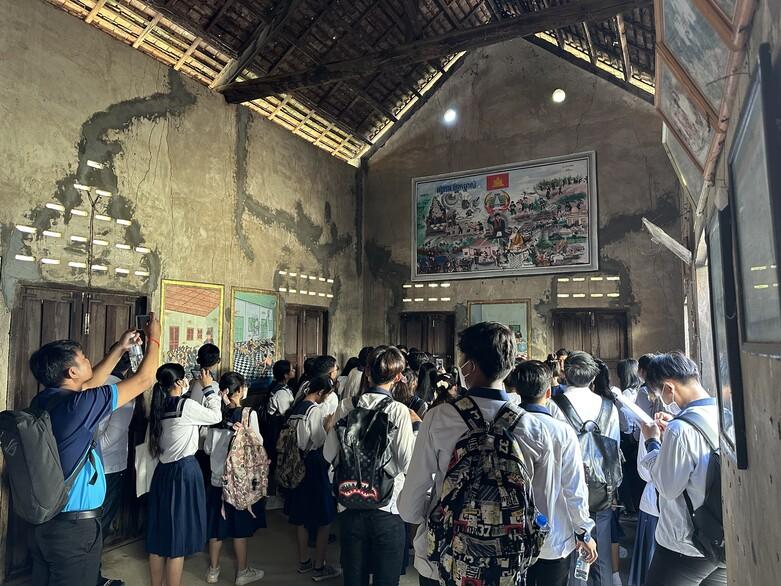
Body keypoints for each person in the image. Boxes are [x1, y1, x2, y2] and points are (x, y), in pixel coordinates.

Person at [398, 322, 555, 586]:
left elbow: (411, 504)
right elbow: (542, 507)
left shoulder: (439, 418)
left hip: (444, 560)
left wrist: (440, 513)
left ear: (469, 365)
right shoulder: (534, 428)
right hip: (507, 563)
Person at [26, 315, 161, 586]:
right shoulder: (80, 405)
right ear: (72, 372)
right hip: (73, 529)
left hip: (47, 522)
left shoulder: (46, 399)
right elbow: (145, 379)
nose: (89, 360)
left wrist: (120, 348)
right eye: (84, 357)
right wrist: (155, 338)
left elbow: (88, 384)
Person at [325, 346, 415, 586]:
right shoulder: (398, 411)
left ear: (366, 372)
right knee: (386, 577)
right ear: (397, 377)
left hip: (349, 504)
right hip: (387, 506)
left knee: (354, 577)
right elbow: (407, 461)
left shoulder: (346, 406)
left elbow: (329, 453)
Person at [506, 360, 598, 586]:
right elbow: (574, 486)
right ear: (548, 392)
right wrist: (583, 530)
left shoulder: (504, 427)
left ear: (516, 391)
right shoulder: (562, 431)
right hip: (554, 536)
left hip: (511, 532)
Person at [640, 353, 725, 586]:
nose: (663, 400)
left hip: (684, 544)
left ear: (669, 387)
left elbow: (667, 488)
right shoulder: (723, 411)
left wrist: (653, 442)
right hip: (719, 538)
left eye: (660, 394)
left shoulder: (680, 428)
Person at [146, 363, 223, 586]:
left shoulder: (158, 407)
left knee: (159, 537)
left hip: (163, 473)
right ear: (180, 382)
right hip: (183, 473)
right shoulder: (185, 405)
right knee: (176, 540)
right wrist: (209, 389)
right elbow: (215, 416)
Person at [553, 351, 622, 586]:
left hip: (565, 487)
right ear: (593, 378)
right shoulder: (608, 407)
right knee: (600, 550)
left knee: (570, 551)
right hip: (601, 487)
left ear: (565, 374)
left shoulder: (555, 405)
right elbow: (614, 448)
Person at [204, 372, 266, 585]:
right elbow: (258, 443)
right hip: (239, 482)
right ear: (239, 391)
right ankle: (242, 572)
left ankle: (213, 571)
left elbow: (207, 448)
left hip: (216, 479)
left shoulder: (215, 415)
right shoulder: (249, 414)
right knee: (240, 528)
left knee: (216, 527)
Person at [284, 375, 342, 582]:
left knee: (301, 516)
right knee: (324, 517)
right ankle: (319, 565)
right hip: (314, 465)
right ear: (320, 392)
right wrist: (328, 425)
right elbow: (319, 441)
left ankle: (304, 562)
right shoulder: (314, 410)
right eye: (326, 395)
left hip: (297, 465)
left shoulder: (296, 410)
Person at [96, 353, 134, 586]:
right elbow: (112, 437)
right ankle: (92, 576)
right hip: (109, 467)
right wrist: (90, 451)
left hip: (89, 466)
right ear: (130, 367)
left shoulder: (94, 384)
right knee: (99, 525)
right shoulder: (123, 391)